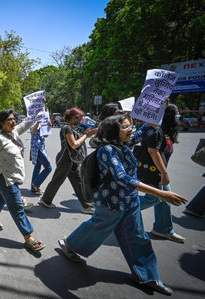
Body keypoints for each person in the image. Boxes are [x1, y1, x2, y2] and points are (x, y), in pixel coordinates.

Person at [57, 115, 188, 296]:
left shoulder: (126, 143)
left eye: (130, 126)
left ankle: (148, 276)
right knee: (97, 228)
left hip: (130, 201)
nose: (131, 130)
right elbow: (122, 178)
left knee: (139, 237)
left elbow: (147, 129)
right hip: (111, 203)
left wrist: (157, 107)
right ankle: (70, 245)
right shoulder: (107, 150)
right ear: (113, 131)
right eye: (125, 127)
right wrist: (160, 193)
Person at [0, 109, 46, 253]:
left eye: (13, 119)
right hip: (5, 178)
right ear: (1, 123)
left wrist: (37, 109)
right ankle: (28, 237)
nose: (13, 122)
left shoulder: (14, 132)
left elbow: (26, 124)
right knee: (17, 207)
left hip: (15, 176)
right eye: (9, 120)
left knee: (1, 198)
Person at [138, 104, 185, 242]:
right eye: (176, 112)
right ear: (169, 115)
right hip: (154, 171)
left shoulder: (166, 131)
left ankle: (162, 229)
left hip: (159, 171)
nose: (179, 115)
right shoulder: (155, 130)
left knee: (164, 201)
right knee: (155, 198)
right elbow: (153, 152)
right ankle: (117, 208)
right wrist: (164, 173)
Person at [40, 108, 97, 214]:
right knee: (58, 180)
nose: (81, 119)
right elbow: (74, 144)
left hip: (72, 160)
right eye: (79, 117)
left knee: (78, 181)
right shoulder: (67, 128)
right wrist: (86, 136)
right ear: (74, 117)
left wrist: (86, 134)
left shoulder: (71, 128)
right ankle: (45, 200)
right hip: (66, 159)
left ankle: (87, 205)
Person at [30, 120, 52, 195]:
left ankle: (34, 187)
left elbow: (46, 135)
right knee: (48, 168)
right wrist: (38, 123)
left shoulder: (43, 124)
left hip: (42, 148)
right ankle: (35, 184)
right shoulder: (35, 123)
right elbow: (33, 132)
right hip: (37, 148)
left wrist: (49, 126)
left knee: (37, 166)